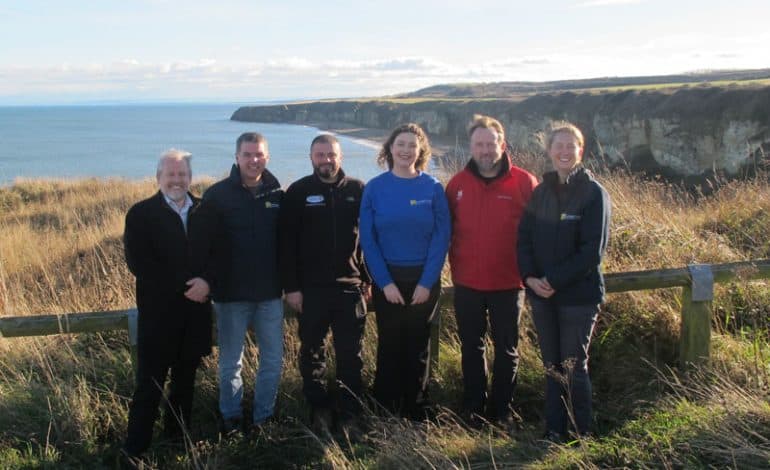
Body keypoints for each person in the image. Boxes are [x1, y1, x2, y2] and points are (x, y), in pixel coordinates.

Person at [517, 121, 611, 441]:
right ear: (549, 151)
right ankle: (554, 431)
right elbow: (524, 239)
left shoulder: (593, 194)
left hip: (578, 297)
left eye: (571, 146)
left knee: (573, 365)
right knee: (551, 366)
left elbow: (591, 252)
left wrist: (552, 280)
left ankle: (581, 432)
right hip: (542, 296)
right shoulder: (540, 193)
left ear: (580, 151)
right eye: (558, 146)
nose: (564, 151)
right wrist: (529, 277)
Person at [445, 115, 538, 429]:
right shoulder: (456, 183)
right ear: (471, 147)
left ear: (503, 144)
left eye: (490, 143)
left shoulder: (525, 182)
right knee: (471, 348)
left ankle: (501, 412)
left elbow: (537, 233)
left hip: (509, 283)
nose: (485, 150)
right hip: (467, 283)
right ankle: (474, 408)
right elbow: (445, 231)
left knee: (507, 350)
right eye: (479, 144)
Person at [188, 132, 284, 433]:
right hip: (230, 295)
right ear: (237, 157)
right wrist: (206, 280)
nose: (253, 160)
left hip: (270, 294)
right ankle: (230, 418)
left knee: (272, 360)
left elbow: (289, 243)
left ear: (267, 157)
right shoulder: (217, 195)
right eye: (248, 155)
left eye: (259, 155)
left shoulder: (278, 194)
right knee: (231, 362)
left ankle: (262, 418)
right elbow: (203, 243)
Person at [122, 149, 212, 459]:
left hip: (195, 316)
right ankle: (135, 452)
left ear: (190, 177)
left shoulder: (205, 210)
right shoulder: (140, 214)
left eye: (182, 174)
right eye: (170, 174)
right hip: (158, 318)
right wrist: (186, 287)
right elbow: (140, 264)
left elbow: (219, 254)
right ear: (158, 177)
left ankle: (177, 445)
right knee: (149, 387)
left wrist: (208, 283)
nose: (177, 180)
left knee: (185, 385)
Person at [279, 134, 370, 432]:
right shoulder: (298, 191)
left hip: (349, 288)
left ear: (340, 157)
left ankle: (350, 413)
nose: (326, 160)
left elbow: (369, 241)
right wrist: (291, 287)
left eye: (331, 154)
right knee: (312, 352)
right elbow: (286, 244)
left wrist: (367, 280)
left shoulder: (358, 190)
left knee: (351, 355)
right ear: (311, 157)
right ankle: (319, 408)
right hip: (310, 290)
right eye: (320, 154)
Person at [359, 123, 451, 419]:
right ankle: (385, 407)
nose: (405, 150)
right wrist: (384, 283)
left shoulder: (433, 188)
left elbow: (441, 237)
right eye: (400, 144)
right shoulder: (374, 188)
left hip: (424, 279)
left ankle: (416, 408)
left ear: (421, 150)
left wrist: (427, 282)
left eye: (412, 145)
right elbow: (368, 240)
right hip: (388, 281)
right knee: (390, 343)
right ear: (389, 149)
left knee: (418, 344)